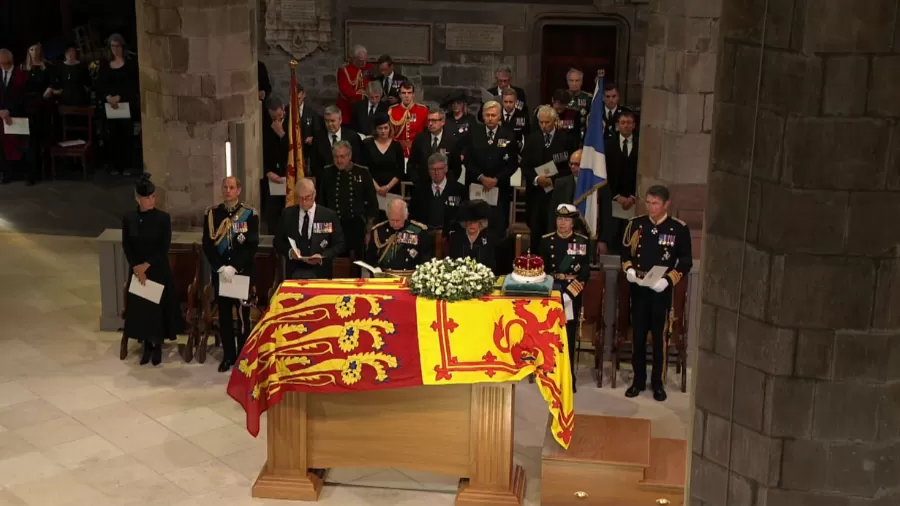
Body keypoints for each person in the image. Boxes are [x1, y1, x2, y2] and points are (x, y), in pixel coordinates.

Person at [621, 185, 692, 402]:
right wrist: (629, 269)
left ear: (666, 204)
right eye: (649, 203)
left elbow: (685, 262)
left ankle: (657, 382)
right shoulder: (636, 224)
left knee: (660, 338)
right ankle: (638, 380)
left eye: (656, 204)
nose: (651, 207)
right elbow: (625, 252)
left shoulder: (677, 229)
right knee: (639, 335)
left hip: (661, 289)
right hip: (640, 286)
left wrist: (668, 280)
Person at [121, 173, 183, 365]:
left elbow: (163, 247)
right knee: (142, 310)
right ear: (137, 198)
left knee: (157, 310)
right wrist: (137, 267)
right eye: (147, 198)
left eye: (153, 197)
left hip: (157, 270)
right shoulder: (129, 218)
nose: (151, 201)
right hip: (138, 272)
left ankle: (157, 346)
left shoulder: (162, 218)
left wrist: (146, 266)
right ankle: (146, 345)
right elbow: (127, 245)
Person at [202, 177, 259, 372]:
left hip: (240, 272)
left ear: (239, 190)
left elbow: (251, 246)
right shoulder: (212, 214)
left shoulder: (249, 214)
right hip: (221, 274)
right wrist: (220, 267)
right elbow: (208, 245)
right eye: (225, 187)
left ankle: (243, 356)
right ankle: (228, 356)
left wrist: (234, 266)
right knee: (225, 315)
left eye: (232, 187)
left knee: (243, 316)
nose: (228, 190)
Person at [540, 204, 591, 392]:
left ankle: (569, 375)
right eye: (560, 219)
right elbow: (541, 270)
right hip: (552, 290)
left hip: (572, 292)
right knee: (550, 333)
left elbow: (585, 271)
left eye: (567, 220)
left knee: (568, 335)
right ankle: (549, 371)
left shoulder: (582, 241)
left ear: (573, 222)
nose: (562, 223)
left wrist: (571, 292)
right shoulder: (546, 241)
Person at [522, 105, 576, 252]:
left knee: (555, 229)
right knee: (536, 232)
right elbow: (525, 166)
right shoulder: (532, 139)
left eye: (547, 122)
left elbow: (570, 168)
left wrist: (553, 180)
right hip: (536, 194)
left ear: (555, 121)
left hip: (557, 193)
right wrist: (537, 179)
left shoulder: (566, 140)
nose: (544, 126)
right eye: (541, 122)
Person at [314, 141, 377, 261]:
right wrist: (321, 232)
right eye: (336, 157)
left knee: (356, 263)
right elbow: (321, 204)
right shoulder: (327, 172)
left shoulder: (362, 172)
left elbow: (372, 204)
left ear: (350, 156)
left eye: (342, 156)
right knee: (334, 262)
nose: (339, 160)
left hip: (356, 226)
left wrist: (369, 231)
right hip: (333, 226)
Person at [463, 100, 518, 234]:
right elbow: (468, 160)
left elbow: (513, 164)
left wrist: (496, 179)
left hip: (499, 188)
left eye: (493, 115)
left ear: (500, 116)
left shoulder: (509, 135)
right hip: (477, 185)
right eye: (487, 115)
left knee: (497, 226)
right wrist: (481, 177)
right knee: (476, 223)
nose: (490, 118)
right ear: (482, 116)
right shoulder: (473, 133)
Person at [547, 150, 615, 256]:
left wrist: (603, 240)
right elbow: (552, 214)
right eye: (571, 163)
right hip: (564, 237)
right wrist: (552, 238)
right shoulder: (560, 184)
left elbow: (606, 215)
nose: (573, 167)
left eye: (577, 164)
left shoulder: (599, 186)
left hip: (589, 238)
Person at [275, 177, 346, 279]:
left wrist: (322, 256)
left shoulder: (328, 216)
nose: (303, 202)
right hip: (294, 271)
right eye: (300, 198)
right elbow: (277, 241)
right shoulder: (287, 214)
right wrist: (290, 252)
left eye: (307, 197)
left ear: (314, 194)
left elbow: (340, 244)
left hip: (320, 272)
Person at [97, 33, 139, 175]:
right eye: (112, 46)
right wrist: (108, 97)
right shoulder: (104, 64)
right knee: (111, 136)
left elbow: (132, 85)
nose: (115, 49)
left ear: (122, 46)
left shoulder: (130, 64)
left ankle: (126, 166)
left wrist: (120, 97)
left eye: (117, 46)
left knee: (125, 136)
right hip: (110, 106)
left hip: (125, 104)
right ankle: (113, 166)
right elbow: (100, 84)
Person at [365, 199, 432, 276]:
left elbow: (426, 259)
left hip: (409, 279)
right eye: (392, 220)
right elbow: (370, 258)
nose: (395, 224)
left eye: (398, 220)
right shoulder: (378, 231)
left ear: (405, 216)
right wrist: (375, 269)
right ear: (388, 216)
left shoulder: (419, 231)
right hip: (385, 279)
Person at [409, 152, 467, 234]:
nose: (436, 173)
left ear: (446, 169)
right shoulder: (419, 190)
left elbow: (464, 218)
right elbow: (413, 216)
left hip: (450, 237)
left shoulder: (460, 190)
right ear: (428, 170)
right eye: (433, 169)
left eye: (440, 169)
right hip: (424, 236)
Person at [360, 112, 404, 220]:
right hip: (372, 189)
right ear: (375, 129)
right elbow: (364, 169)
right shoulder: (367, 145)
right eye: (380, 128)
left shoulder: (396, 146)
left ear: (390, 128)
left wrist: (387, 187)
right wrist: (377, 188)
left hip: (392, 189)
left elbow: (400, 170)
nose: (383, 131)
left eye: (385, 128)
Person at [407, 107, 462, 185]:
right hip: (422, 185)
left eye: (434, 120)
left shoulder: (452, 141)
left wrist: (447, 184)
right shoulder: (419, 139)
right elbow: (411, 165)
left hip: (445, 187)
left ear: (442, 122)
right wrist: (418, 182)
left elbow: (456, 168)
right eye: (429, 120)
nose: (430, 124)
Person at [0, 48, 29, 185]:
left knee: (19, 145)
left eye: (4, 63)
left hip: (17, 115)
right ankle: (7, 173)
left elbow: (22, 96)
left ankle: (24, 173)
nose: (2, 66)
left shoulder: (20, 74)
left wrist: (9, 110)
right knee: (3, 146)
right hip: (1, 117)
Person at [262, 96, 289, 233]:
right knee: (272, 215)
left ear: (283, 110)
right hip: (272, 177)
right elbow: (259, 153)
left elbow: (293, 151)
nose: (277, 120)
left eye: (279, 116)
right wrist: (267, 172)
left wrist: (282, 135)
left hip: (288, 174)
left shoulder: (292, 122)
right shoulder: (265, 126)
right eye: (273, 118)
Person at [447, 199, 496, 273]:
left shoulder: (488, 239)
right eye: (469, 221)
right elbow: (452, 262)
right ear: (464, 223)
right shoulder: (455, 238)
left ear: (480, 223)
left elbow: (491, 264)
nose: (471, 224)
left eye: (475, 222)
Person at [387, 81, 428, 158]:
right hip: (398, 151)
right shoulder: (392, 111)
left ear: (413, 94)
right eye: (403, 93)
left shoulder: (423, 110)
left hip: (417, 151)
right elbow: (389, 134)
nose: (406, 96)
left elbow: (426, 133)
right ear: (399, 95)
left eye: (409, 93)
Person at [336, 44, 373, 125]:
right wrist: (364, 95)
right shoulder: (344, 70)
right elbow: (346, 91)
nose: (364, 63)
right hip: (348, 108)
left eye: (365, 60)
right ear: (353, 59)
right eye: (361, 61)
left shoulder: (369, 68)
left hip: (363, 110)